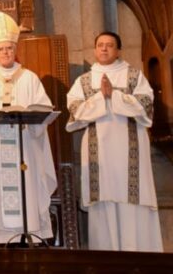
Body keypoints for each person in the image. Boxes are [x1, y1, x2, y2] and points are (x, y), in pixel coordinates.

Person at [67, 32, 163, 252]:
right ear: (94, 50)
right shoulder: (83, 81)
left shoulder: (133, 76)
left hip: (131, 154)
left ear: (118, 50)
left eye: (109, 45)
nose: (104, 49)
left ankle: (139, 256)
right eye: (100, 45)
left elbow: (146, 104)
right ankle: (106, 259)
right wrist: (101, 98)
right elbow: (75, 111)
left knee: (132, 202)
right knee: (103, 202)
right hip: (98, 156)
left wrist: (115, 97)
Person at [0, 12, 56, 245]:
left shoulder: (29, 78)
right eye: (1, 49)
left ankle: (29, 232)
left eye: (9, 48)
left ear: (15, 49)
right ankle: (0, 236)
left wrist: (29, 115)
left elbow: (44, 106)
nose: (6, 53)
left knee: (26, 187)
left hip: (25, 145)